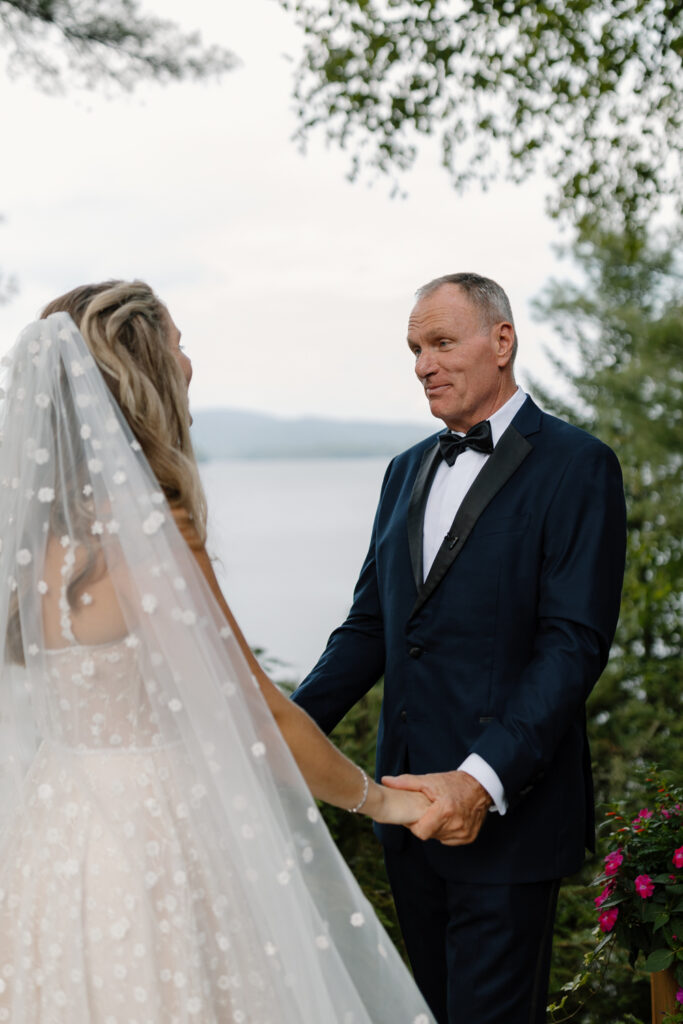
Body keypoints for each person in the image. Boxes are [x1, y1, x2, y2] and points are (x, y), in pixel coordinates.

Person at [0, 280, 437, 1023]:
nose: (189, 359)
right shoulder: (151, 531)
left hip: (54, 843)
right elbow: (256, 710)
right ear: (146, 374)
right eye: (177, 342)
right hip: (152, 845)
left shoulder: (28, 544)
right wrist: (386, 800)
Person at [292, 273, 627, 1024]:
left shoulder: (578, 466)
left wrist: (479, 781)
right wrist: (280, 731)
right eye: (414, 348)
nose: (422, 364)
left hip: (507, 817)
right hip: (404, 816)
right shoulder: (403, 470)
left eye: (441, 342)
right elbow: (367, 629)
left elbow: (571, 648)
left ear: (500, 341)